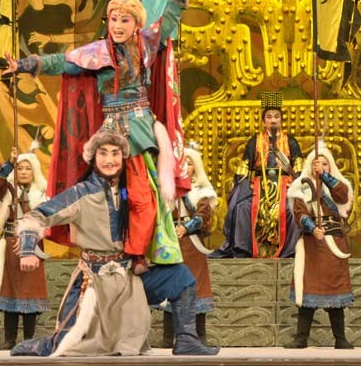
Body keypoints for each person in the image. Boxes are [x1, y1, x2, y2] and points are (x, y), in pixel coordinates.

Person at [3, 0, 192, 272]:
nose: (117, 25)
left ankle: (139, 252)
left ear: (136, 24)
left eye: (124, 20)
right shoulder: (97, 52)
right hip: (111, 133)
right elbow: (61, 62)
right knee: (102, 193)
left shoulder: (146, 45)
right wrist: (23, 65)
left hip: (140, 130)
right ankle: (106, 246)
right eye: (113, 19)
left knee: (141, 195)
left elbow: (169, 20)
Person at [11, 130, 219, 357]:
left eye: (115, 153)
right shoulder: (80, 193)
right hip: (94, 280)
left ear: (123, 157)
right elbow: (36, 216)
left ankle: (187, 340)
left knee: (181, 278)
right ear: (93, 157)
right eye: (103, 153)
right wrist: (27, 250)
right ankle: (32, 345)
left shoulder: (134, 191)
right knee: (66, 344)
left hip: (128, 276)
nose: (109, 160)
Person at [211, 92, 303, 258]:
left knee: (291, 209)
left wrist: (298, 180)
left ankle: (290, 250)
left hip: (286, 184)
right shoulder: (255, 140)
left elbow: (299, 165)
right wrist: (239, 182)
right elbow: (245, 164)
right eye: (269, 117)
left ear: (281, 120)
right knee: (242, 207)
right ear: (263, 121)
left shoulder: (290, 141)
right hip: (259, 185)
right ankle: (243, 248)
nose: (273, 120)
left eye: (276, 116)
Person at [283, 142, 354, 349]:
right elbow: (300, 213)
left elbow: (342, 197)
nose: (320, 166)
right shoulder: (301, 187)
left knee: (335, 290)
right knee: (308, 290)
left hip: (335, 245)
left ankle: (340, 339)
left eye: (324, 163)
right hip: (313, 245)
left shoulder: (340, 184)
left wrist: (325, 177)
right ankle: (301, 338)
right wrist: (312, 227)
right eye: (316, 163)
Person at [0, 143, 49, 348]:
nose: (23, 172)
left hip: (33, 247)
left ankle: (29, 339)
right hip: (10, 245)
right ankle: (9, 339)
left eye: (27, 168)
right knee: (10, 292)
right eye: (20, 168)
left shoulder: (41, 193)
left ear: (34, 171)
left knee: (30, 292)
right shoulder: (7, 190)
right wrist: (10, 163)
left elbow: (47, 220)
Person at [158, 142, 216, 348]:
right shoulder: (170, 188)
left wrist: (187, 227)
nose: (186, 166)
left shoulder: (203, 191)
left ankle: (200, 335)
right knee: (171, 284)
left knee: (197, 286)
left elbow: (203, 216)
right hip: (172, 242)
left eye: (190, 163)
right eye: (183, 163)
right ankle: (168, 337)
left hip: (192, 244)